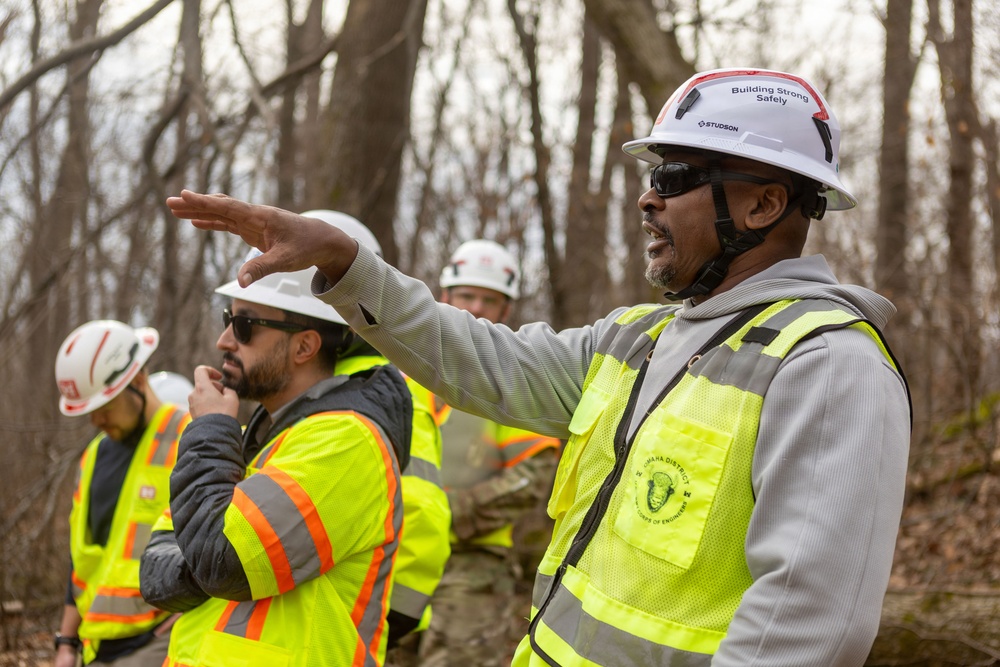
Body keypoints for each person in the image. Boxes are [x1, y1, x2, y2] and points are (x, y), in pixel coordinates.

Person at [167, 67, 912, 666]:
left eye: (677, 174)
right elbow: (475, 357)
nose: (648, 199)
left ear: (764, 205)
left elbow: (810, 627)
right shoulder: (640, 340)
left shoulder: (827, 366)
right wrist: (347, 264)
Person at [138, 210, 414, 667]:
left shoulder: (345, 444)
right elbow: (156, 573)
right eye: (229, 317)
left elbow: (220, 561)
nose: (225, 339)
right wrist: (203, 562)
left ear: (305, 346)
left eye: (245, 325)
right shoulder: (260, 441)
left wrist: (209, 429)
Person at [415, 239, 560, 667]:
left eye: (488, 300)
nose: (476, 307)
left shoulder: (515, 383)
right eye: (466, 296)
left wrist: (443, 514)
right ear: (445, 298)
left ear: (505, 311)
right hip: (394, 555)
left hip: (473, 566)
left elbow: (530, 479)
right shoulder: (403, 370)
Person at [53, 320, 190, 666]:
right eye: (88, 411)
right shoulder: (94, 456)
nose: (96, 420)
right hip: (96, 647)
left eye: (104, 406)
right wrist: (66, 643)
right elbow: (84, 561)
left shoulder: (192, 437)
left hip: (159, 643)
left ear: (138, 381)